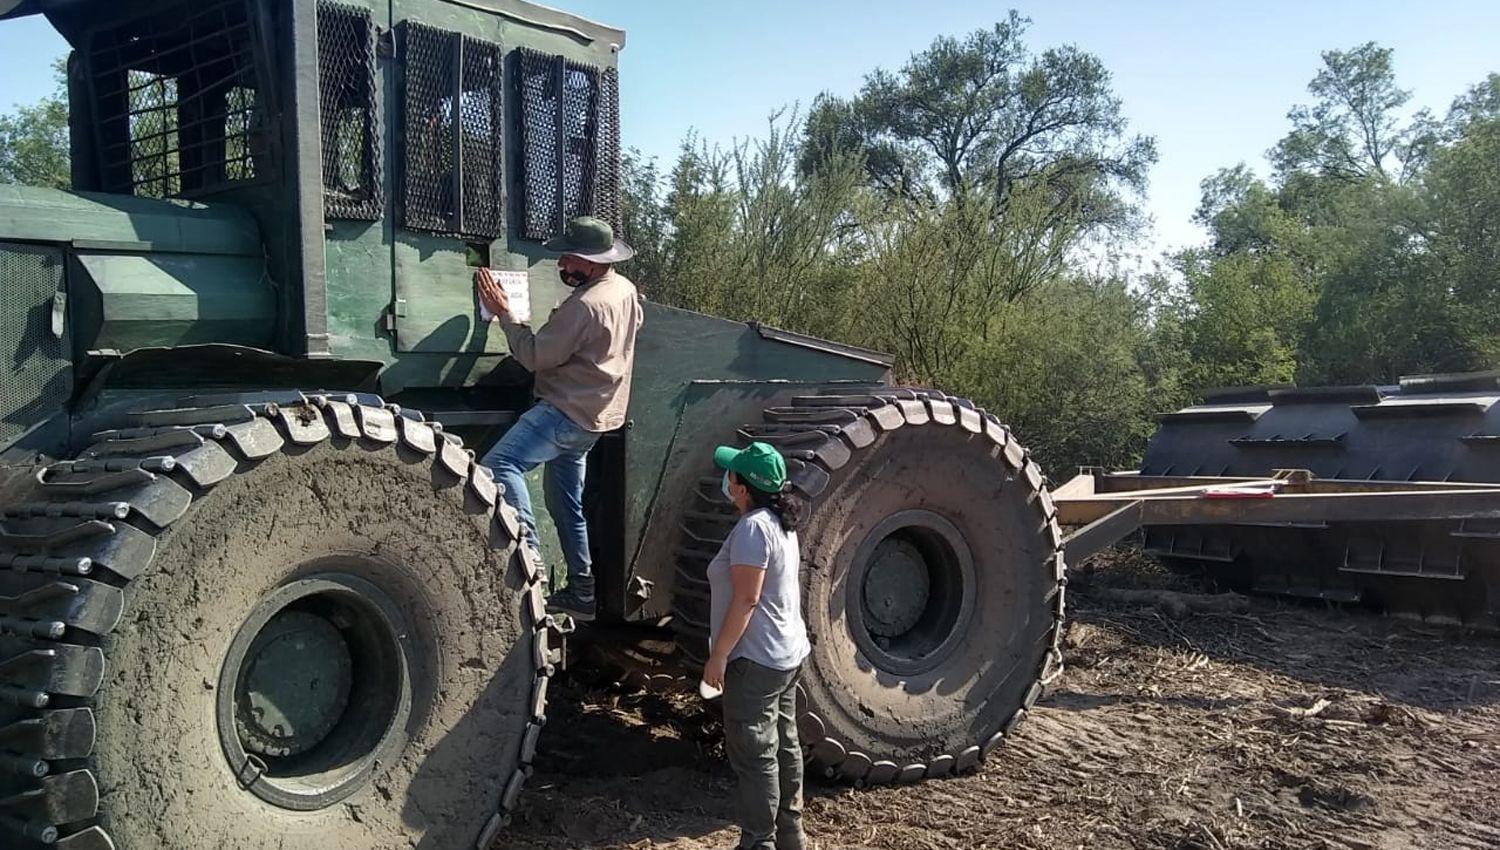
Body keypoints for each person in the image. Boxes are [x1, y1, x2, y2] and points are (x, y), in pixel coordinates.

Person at [475, 215, 643, 619]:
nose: (563, 266)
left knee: (500, 464)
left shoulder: (586, 304)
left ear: (590, 260)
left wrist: (505, 314)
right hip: (597, 418)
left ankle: (530, 561)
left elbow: (534, 356)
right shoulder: (624, 289)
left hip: (565, 412)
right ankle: (582, 591)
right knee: (565, 501)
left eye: (569, 259)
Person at [702, 441, 810, 850]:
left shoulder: (752, 529)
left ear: (742, 488)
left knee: (755, 752)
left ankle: (758, 842)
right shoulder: (781, 521)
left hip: (757, 659)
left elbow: (747, 600)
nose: (726, 480)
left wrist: (719, 656)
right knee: (785, 742)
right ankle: (790, 835)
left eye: (732, 475)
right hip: (787, 653)